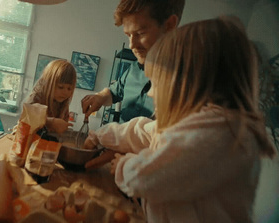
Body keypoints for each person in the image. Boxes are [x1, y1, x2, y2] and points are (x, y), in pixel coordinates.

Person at [83, 17, 277, 222]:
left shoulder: (218, 132)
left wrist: (123, 165)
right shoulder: (191, 124)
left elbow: (152, 179)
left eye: (156, 84)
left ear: (188, 83)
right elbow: (141, 130)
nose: (150, 94)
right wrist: (99, 136)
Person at [83, 0, 185, 168]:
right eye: (128, 35)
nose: (132, 45)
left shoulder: (191, 80)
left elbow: (166, 142)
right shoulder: (134, 68)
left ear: (169, 25)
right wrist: (100, 97)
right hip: (117, 164)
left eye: (140, 33)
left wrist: (125, 152)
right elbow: (115, 91)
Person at [26, 59, 76, 134]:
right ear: (48, 83)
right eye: (60, 87)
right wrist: (50, 122)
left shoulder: (63, 103)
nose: (65, 92)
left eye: (69, 88)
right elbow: (27, 118)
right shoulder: (37, 97)